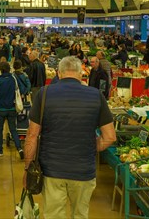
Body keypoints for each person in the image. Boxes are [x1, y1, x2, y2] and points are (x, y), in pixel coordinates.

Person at [23, 56, 116, 219]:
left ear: (58, 73)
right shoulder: (96, 96)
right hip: (83, 171)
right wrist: (89, 147)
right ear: (81, 74)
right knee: (80, 214)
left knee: (53, 215)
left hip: (52, 170)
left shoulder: (44, 94)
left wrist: (27, 169)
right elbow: (109, 137)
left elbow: (32, 136)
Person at [0, 61, 24, 159]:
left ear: (1, 70)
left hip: (1, 109)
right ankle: (19, 148)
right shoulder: (13, 79)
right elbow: (21, 89)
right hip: (11, 108)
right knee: (13, 129)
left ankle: (0, 150)